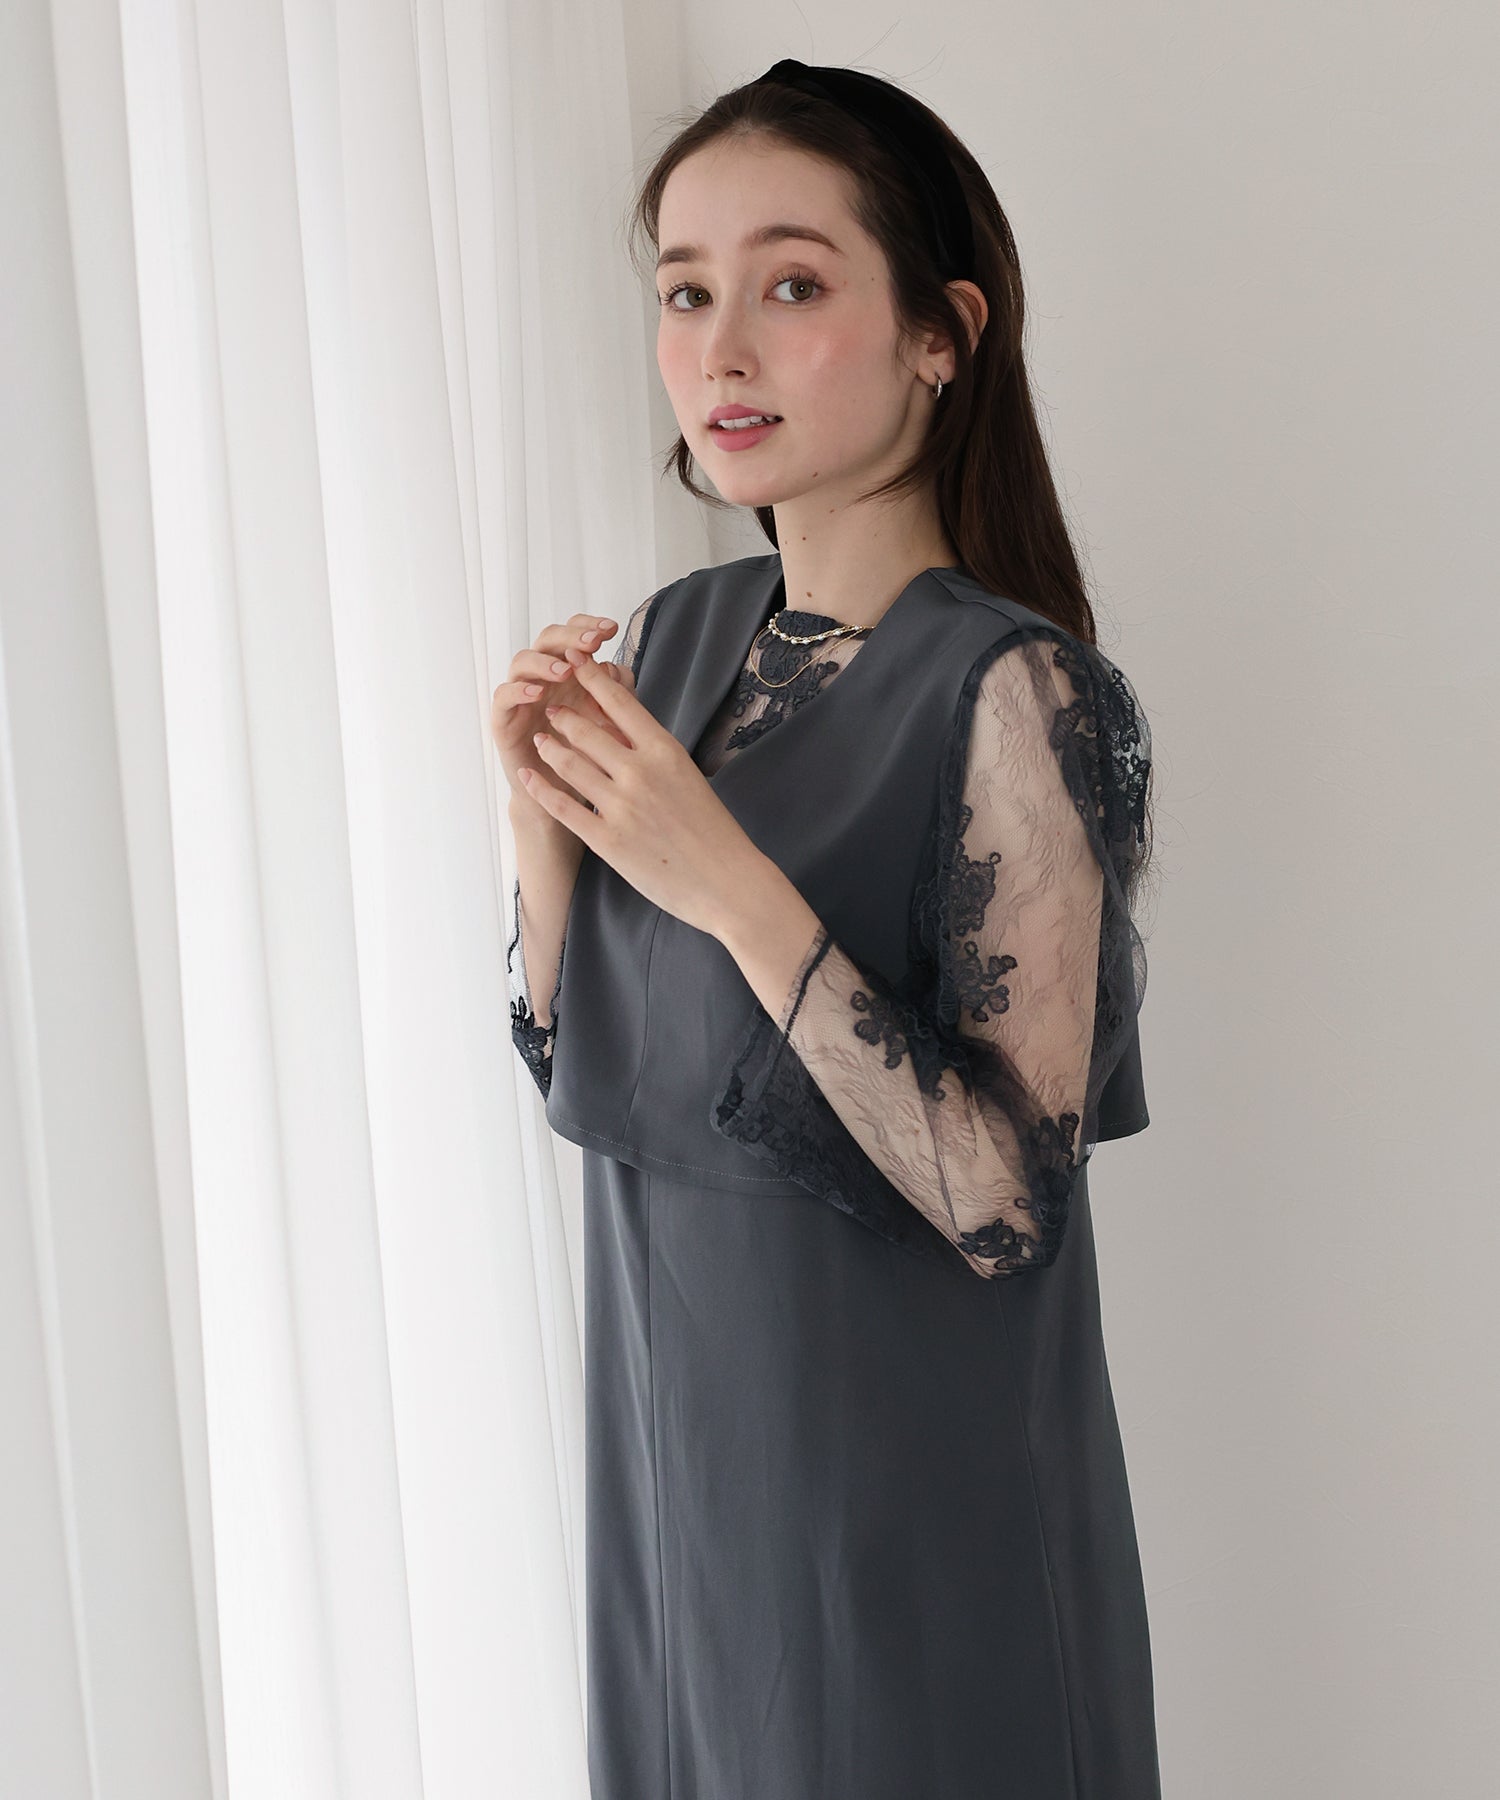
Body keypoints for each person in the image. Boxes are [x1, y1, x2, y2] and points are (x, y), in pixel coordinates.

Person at [494, 57, 1162, 1800]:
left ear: (942, 331)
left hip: (908, 1531)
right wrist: (545, 834)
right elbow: (592, 1080)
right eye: (685, 293)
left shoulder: (1016, 692)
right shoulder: (678, 638)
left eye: (790, 287)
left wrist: (722, 880)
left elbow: (1007, 1196)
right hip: (681, 1506)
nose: (722, 350)